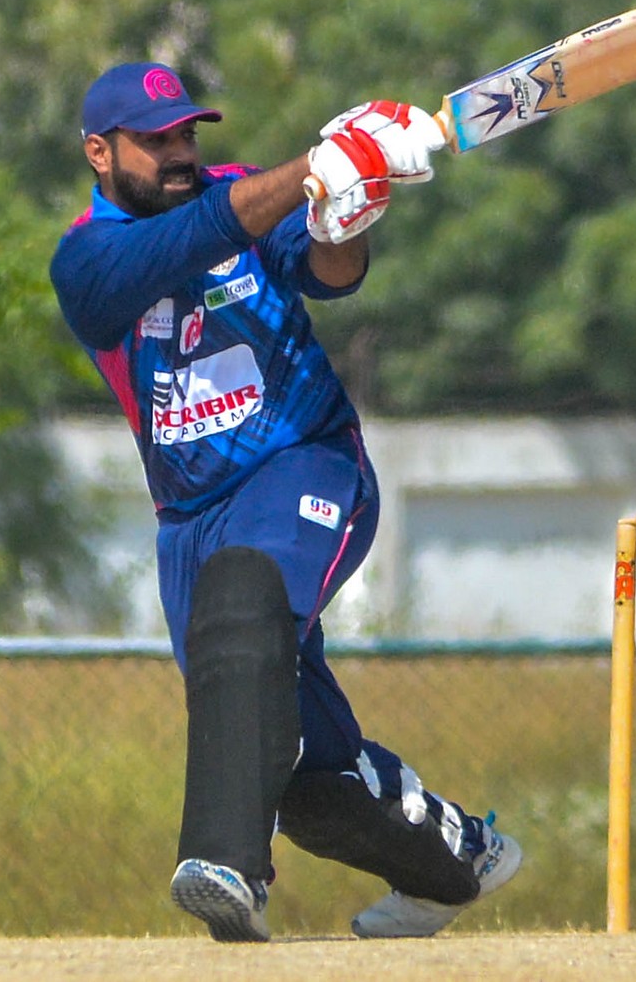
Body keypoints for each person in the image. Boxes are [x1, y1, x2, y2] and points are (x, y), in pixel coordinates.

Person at [48, 61, 521, 943]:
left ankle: (226, 865)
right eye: (154, 141)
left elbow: (329, 268)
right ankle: (456, 860)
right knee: (295, 772)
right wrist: (315, 165)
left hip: (304, 461)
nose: (180, 153)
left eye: (187, 134)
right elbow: (187, 242)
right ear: (98, 154)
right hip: (189, 521)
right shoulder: (87, 259)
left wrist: (347, 213)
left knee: (243, 595)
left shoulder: (243, 194)